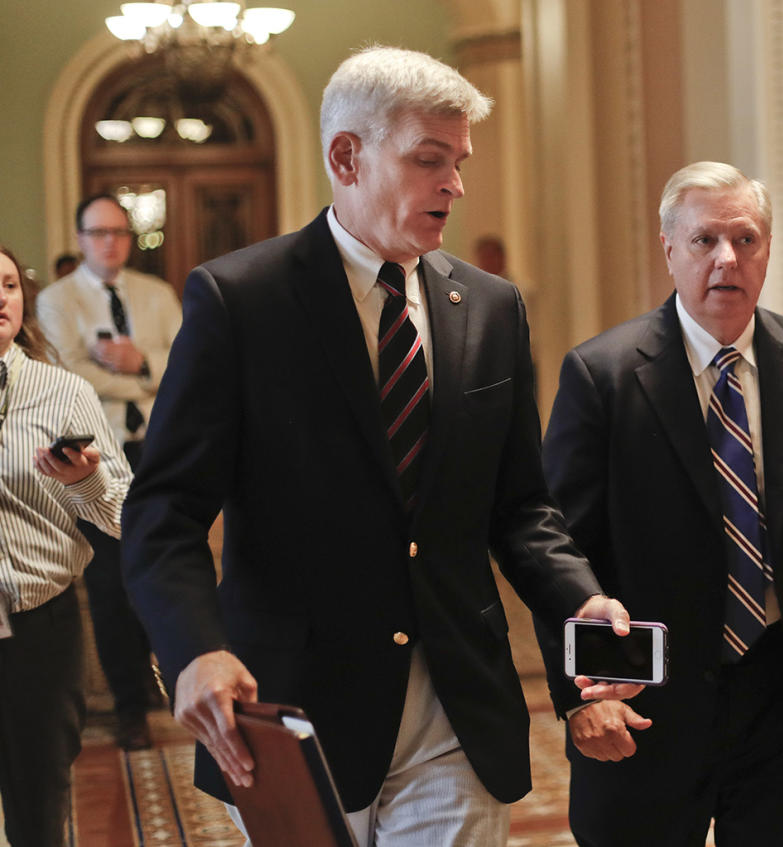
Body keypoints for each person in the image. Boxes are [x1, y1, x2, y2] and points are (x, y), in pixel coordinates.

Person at [119, 46, 636, 847]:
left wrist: (579, 597)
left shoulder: (493, 309)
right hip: (293, 711)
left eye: (459, 162)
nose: (455, 185)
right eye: (430, 160)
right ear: (346, 156)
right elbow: (164, 510)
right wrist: (194, 651)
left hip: (457, 710)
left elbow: (522, 505)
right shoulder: (241, 301)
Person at [535, 161, 783, 846]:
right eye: (705, 241)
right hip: (644, 696)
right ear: (669, 249)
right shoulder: (603, 374)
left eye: (746, 239)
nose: (727, 258)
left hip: (779, 694)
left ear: (767, 250)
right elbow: (559, 550)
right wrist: (577, 696)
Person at [38, 193, 182, 750]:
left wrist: (140, 363)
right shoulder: (56, 300)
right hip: (96, 456)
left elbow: (188, 360)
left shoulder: (158, 294)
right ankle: (129, 704)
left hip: (158, 448)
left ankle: (173, 684)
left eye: (120, 232)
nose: (110, 242)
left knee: (165, 565)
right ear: (80, 239)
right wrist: (148, 378)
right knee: (110, 582)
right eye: (98, 233)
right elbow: (71, 378)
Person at [0, 244, 132, 847]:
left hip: (37, 629)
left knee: (37, 812)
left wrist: (84, 480)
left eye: (6, 285)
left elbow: (124, 517)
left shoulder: (63, 393)